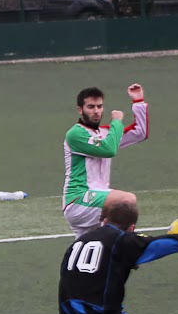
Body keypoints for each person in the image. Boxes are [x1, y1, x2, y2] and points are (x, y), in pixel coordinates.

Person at [62, 83, 149, 238]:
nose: (96, 111)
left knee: (87, 247)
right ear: (80, 110)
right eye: (91, 107)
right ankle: (128, 243)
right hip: (78, 199)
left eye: (99, 106)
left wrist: (138, 102)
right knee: (126, 200)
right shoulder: (75, 134)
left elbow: (140, 133)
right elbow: (108, 150)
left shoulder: (106, 133)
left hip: (99, 200)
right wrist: (117, 122)